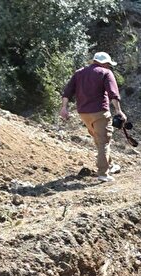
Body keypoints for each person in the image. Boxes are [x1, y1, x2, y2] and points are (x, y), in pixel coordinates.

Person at [60, 52, 125, 182]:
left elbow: (67, 91)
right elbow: (113, 93)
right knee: (104, 142)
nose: (109, 66)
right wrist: (119, 111)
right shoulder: (106, 73)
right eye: (108, 64)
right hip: (100, 112)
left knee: (99, 140)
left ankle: (110, 165)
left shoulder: (79, 72)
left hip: (83, 113)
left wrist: (64, 108)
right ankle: (103, 173)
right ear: (105, 63)